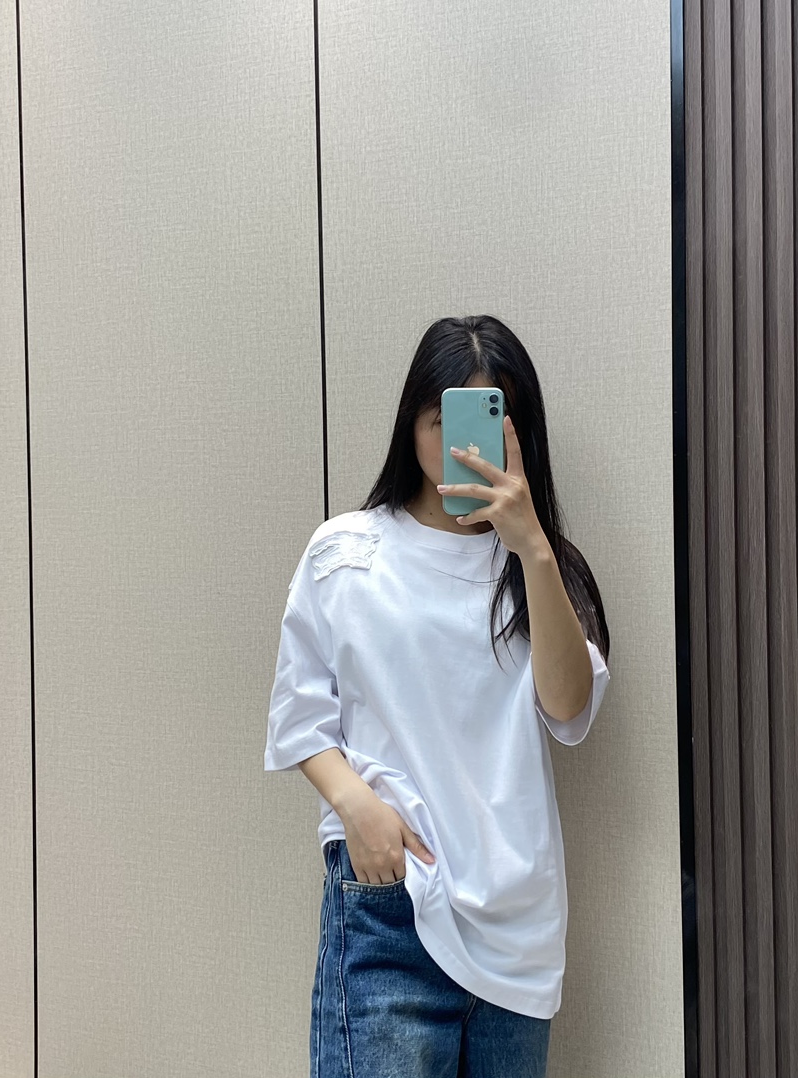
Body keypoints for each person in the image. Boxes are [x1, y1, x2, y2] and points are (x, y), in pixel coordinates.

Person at [264, 315, 611, 1078]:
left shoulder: (541, 568)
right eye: (441, 420)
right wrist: (357, 810)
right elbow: (299, 715)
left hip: (517, 930)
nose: (461, 445)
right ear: (412, 425)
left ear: (520, 432)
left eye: (487, 421)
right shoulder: (347, 552)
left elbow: (568, 709)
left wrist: (531, 545)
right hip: (390, 906)